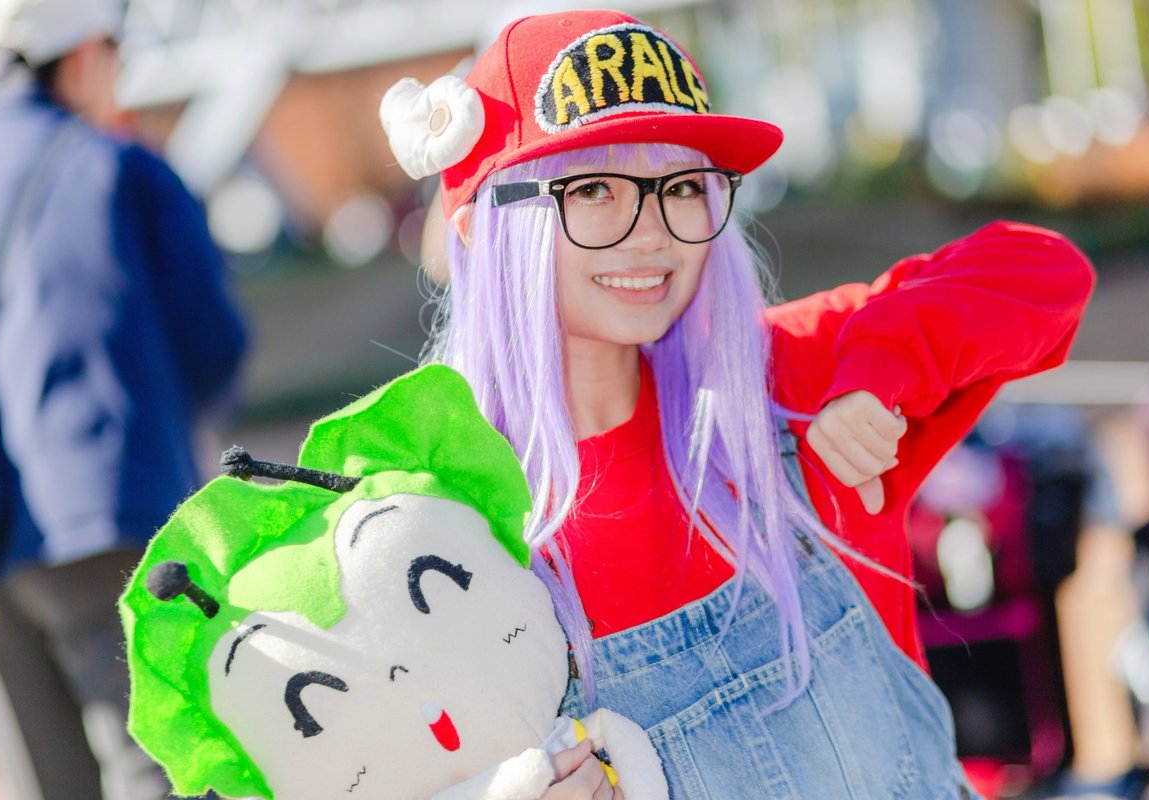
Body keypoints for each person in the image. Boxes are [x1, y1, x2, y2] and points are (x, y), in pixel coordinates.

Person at [380, 9, 1094, 799]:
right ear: (476, 228)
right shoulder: (432, 537)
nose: (652, 231)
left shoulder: (784, 388)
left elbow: (1043, 269)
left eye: (682, 185)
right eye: (593, 189)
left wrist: (882, 371)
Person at [0, 0, 248, 798]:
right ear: (86, 55)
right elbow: (215, 344)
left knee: (47, 785)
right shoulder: (116, 167)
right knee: (166, 768)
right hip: (102, 516)